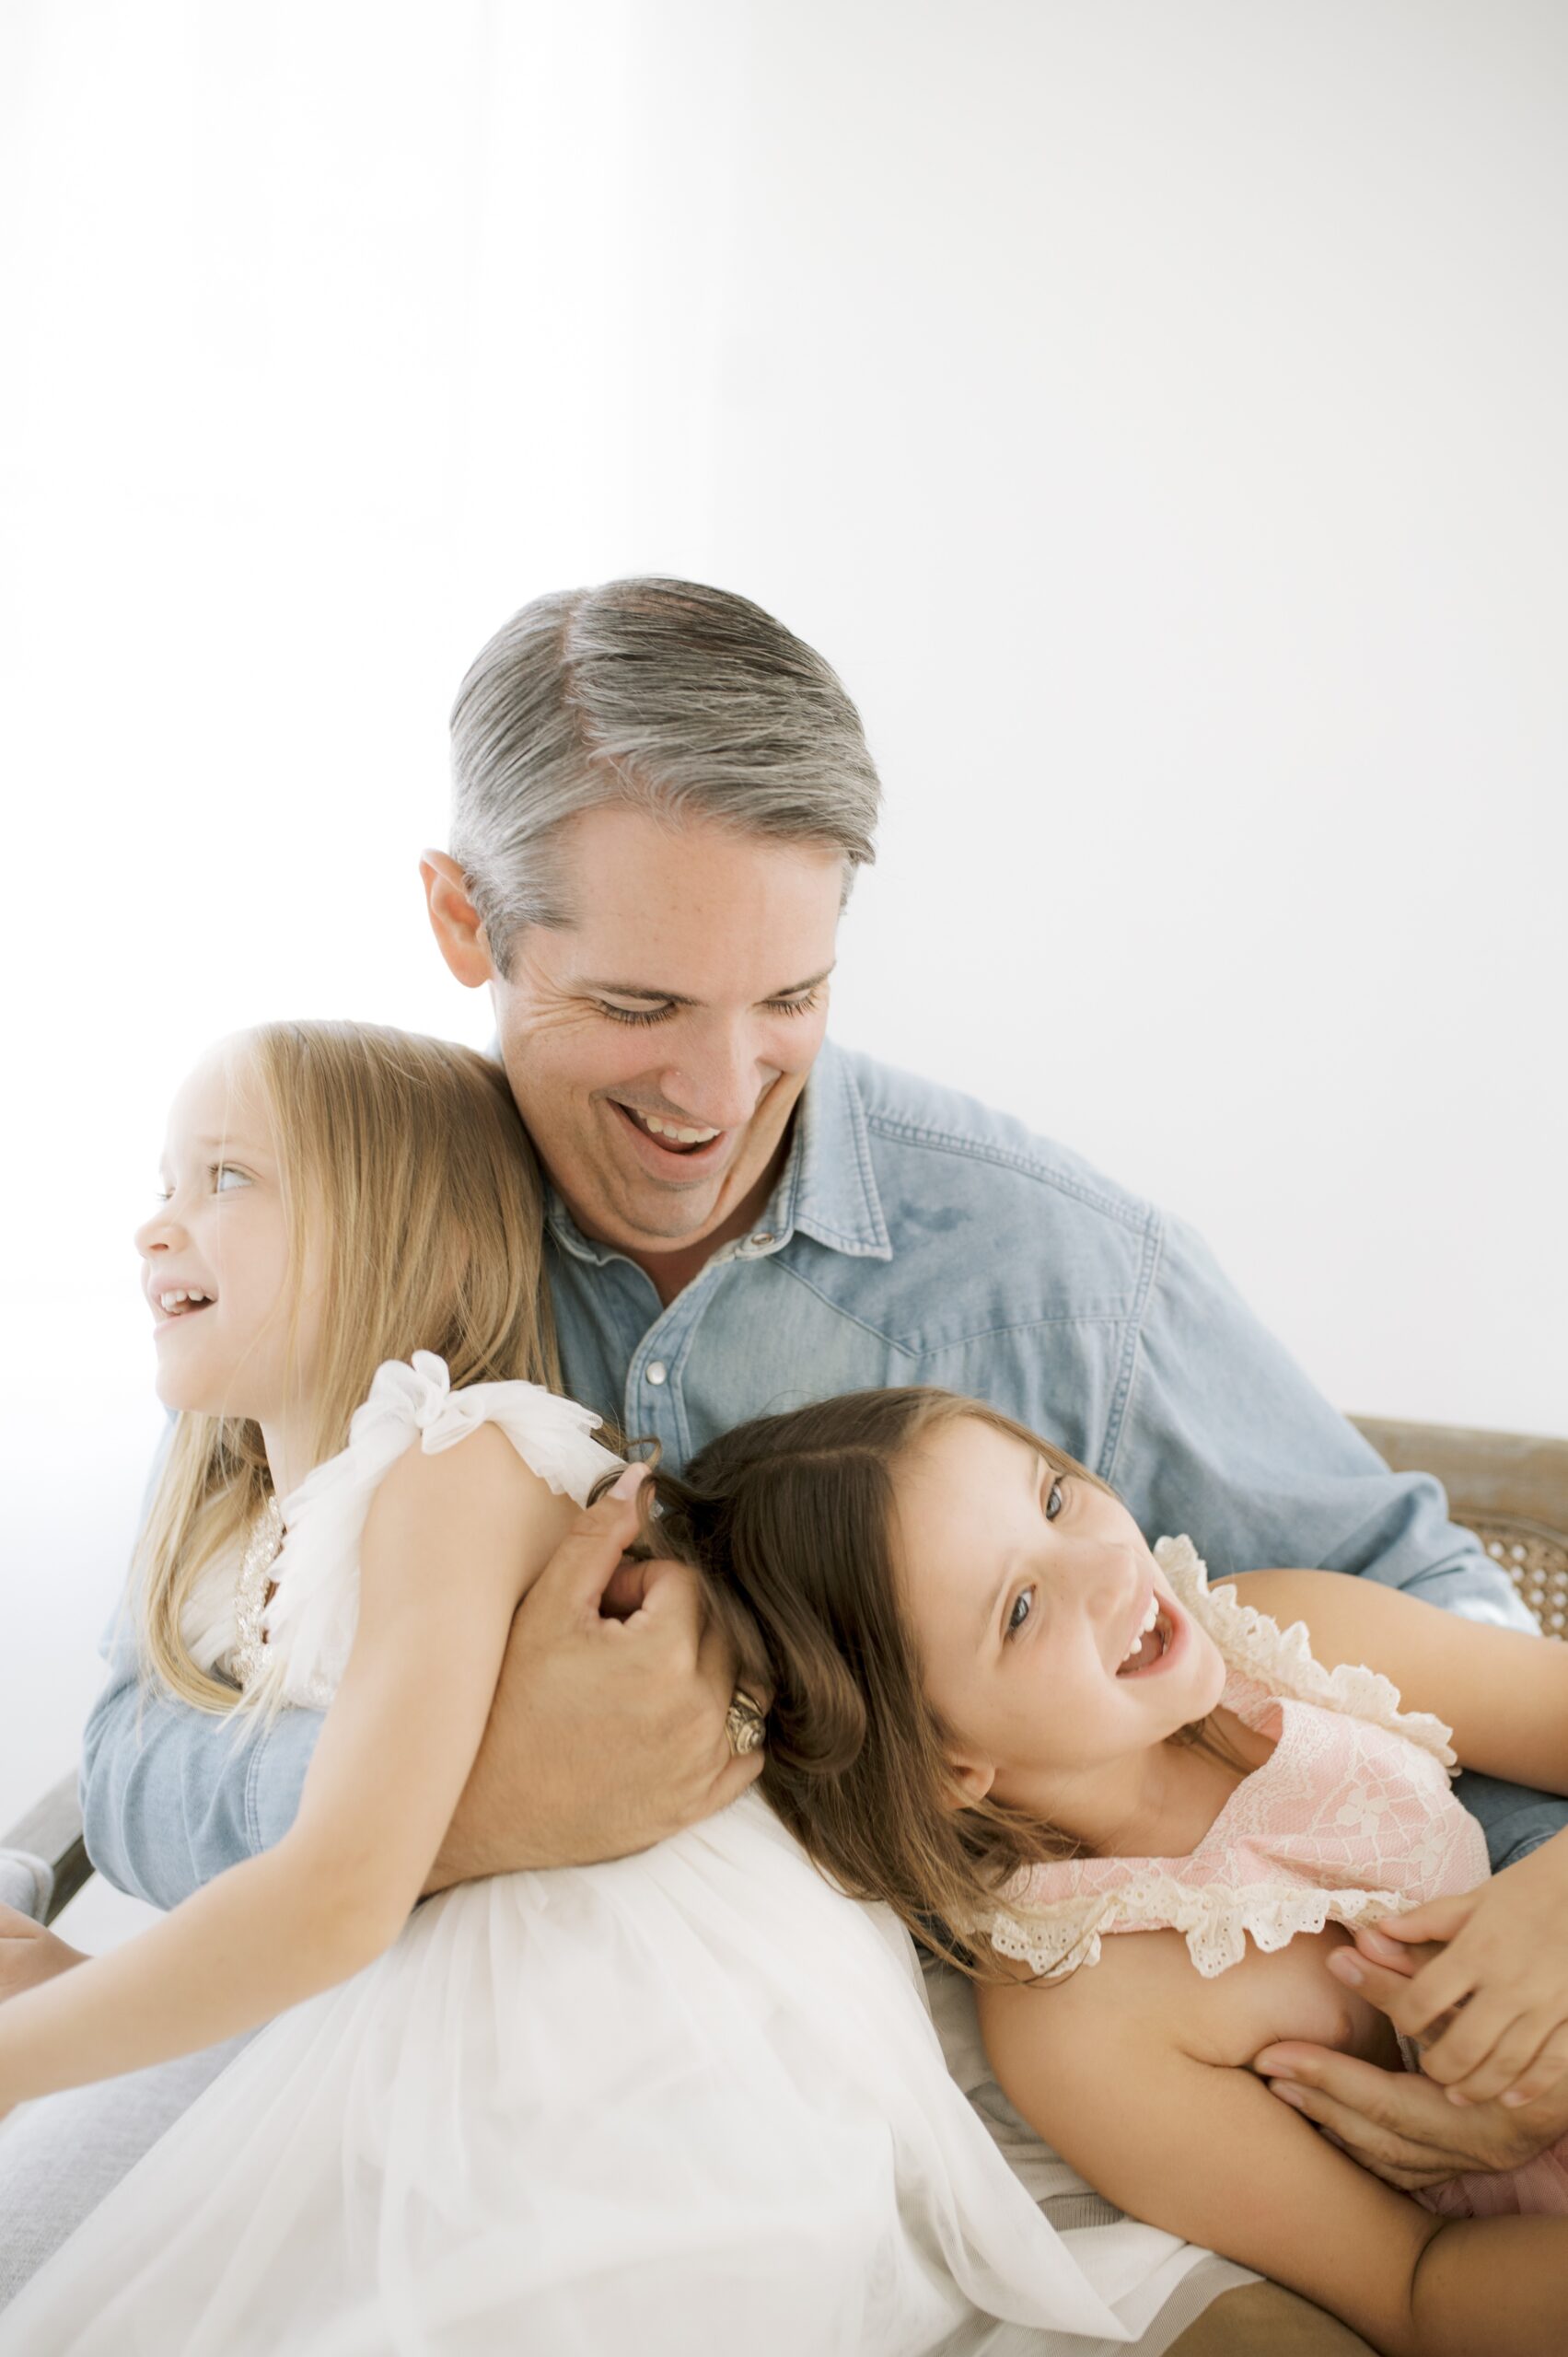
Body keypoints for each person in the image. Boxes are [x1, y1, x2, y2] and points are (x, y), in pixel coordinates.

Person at [3, 580, 1562, 2349]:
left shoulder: (1050, 1266)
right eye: (638, 1001)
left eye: (790, 997)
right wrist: (472, 1803)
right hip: (498, 2092)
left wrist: (1547, 1908)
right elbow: (143, 1737)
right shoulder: (365, 1242)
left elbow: (1409, 1613)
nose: (718, 1086)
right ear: (464, 922)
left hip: (1026, 2120)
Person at [0, 1022, 1120, 2354]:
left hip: (632, 2015)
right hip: (453, 1965)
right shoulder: (254, 1521)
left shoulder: (455, 1462)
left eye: (226, 1179)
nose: (156, 1225)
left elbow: (343, 1893)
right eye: (166, 1178)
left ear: (395, 1233)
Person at [634, 1386, 1568, 2356]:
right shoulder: (1077, 2021)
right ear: (951, 1767)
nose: (1109, 1569)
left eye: (1051, 1499)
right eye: (1021, 1609)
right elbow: (1414, 2288)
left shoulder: (1288, 1639)